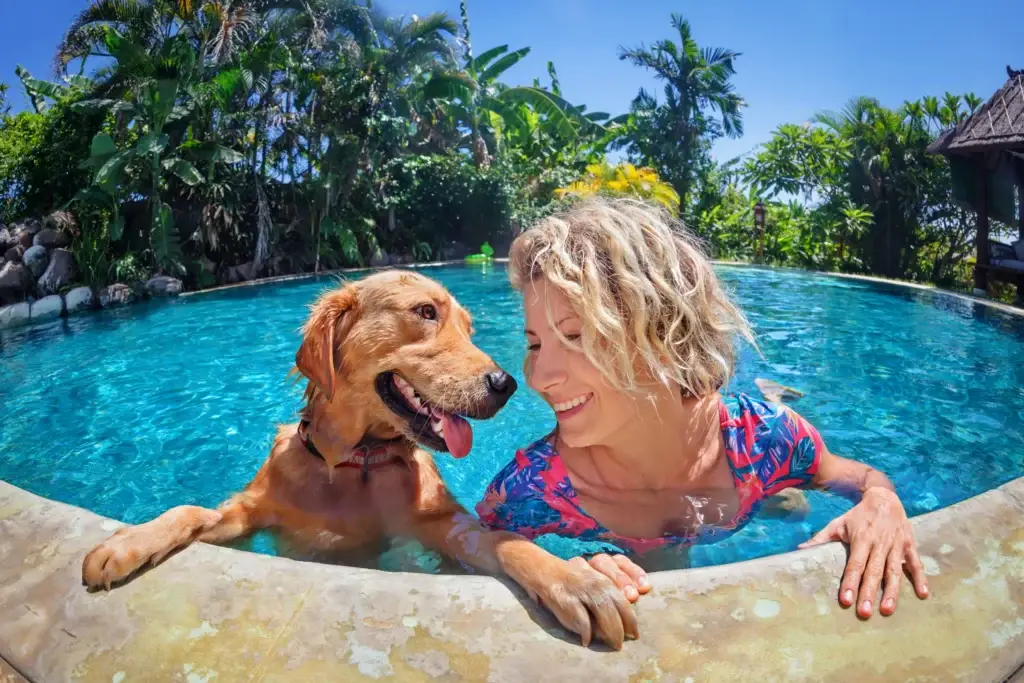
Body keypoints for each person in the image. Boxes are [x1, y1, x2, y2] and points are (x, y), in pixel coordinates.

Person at [476, 196, 929, 619]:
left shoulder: (766, 439)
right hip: (672, 521)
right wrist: (552, 566)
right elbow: (469, 556)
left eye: (575, 336)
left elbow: (861, 479)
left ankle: (773, 428)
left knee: (796, 508)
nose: (538, 376)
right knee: (659, 559)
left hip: (747, 482)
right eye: (535, 343)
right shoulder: (528, 493)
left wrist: (882, 501)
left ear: (666, 334)